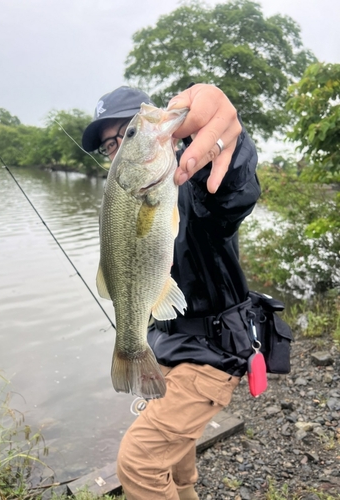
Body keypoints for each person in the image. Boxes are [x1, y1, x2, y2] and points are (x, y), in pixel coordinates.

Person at [82, 84, 261, 500]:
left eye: (125, 132)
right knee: (177, 463)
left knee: (139, 464)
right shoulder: (127, 194)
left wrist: (232, 139)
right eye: (111, 145)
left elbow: (233, 193)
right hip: (167, 348)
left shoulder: (194, 179)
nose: (117, 146)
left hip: (211, 354)